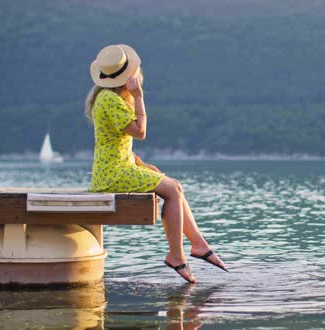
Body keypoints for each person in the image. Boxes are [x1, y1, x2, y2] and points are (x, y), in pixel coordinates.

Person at [84, 44, 228, 283]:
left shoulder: (106, 97)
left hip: (116, 168)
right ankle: (177, 255)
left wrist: (140, 164)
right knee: (172, 190)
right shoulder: (111, 99)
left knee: (174, 185)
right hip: (113, 174)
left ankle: (198, 245)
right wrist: (139, 97)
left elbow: (114, 142)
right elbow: (140, 132)